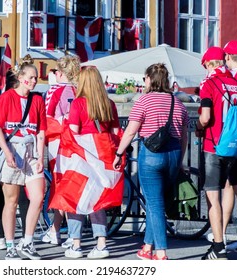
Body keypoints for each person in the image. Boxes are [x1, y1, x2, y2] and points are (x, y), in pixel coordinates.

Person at [113, 63, 189, 260]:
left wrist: (119, 153)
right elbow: (183, 137)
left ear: (149, 79)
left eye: (144, 78)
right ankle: (147, 247)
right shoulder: (178, 103)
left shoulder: (144, 101)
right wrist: (179, 160)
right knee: (158, 202)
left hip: (151, 155)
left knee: (154, 204)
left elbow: (131, 131)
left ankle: (161, 252)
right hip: (173, 154)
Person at [52, 66, 122, 259]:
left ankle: (76, 244)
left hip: (81, 158)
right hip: (104, 157)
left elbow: (73, 132)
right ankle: (101, 244)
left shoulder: (78, 104)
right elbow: (116, 133)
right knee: (97, 200)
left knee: (75, 199)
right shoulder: (108, 103)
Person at [0, 55, 46, 260]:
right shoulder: (7, 97)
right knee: (11, 201)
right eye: (30, 77)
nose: (33, 81)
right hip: (13, 149)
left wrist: (41, 156)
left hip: (31, 150)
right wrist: (7, 152)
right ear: (21, 77)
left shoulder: (37, 99)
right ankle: (11, 245)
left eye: (36, 78)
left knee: (38, 196)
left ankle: (28, 241)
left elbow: (41, 130)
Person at [196, 46, 237, 260]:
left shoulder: (208, 83)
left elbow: (205, 117)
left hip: (213, 145)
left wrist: (198, 125)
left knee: (212, 196)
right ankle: (220, 238)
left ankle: (218, 245)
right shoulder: (235, 83)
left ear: (208, 64)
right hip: (233, 146)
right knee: (226, 190)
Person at [213, 40, 237, 253]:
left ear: (227, 57)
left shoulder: (229, 80)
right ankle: (224, 231)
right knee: (232, 184)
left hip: (234, 140)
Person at [42, 55, 80, 248]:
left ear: (62, 73)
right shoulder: (79, 89)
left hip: (58, 142)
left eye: (56, 71)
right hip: (77, 141)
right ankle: (63, 231)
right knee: (72, 186)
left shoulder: (55, 91)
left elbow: (46, 119)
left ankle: (58, 231)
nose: (55, 74)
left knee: (59, 187)